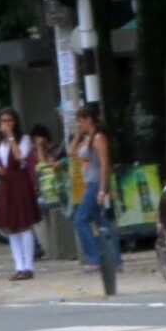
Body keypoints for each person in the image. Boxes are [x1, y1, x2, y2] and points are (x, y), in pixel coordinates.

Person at [0, 108, 42, 280]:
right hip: (6, 183)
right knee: (10, 225)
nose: (6, 124)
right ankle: (18, 265)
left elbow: (21, 158)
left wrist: (11, 137)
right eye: (3, 121)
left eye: (9, 120)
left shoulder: (23, 139)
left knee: (23, 223)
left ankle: (29, 266)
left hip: (20, 182)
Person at [69, 102, 113, 271]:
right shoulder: (87, 139)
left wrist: (102, 189)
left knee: (80, 219)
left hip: (96, 183)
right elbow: (72, 152)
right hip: (90, 182)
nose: (79, 125)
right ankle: (114, 260)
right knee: (102, 222)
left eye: (81, 121)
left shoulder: (98, 138)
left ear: (89, 119)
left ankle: (94, 257)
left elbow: (104, 163)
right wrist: (78, 134)